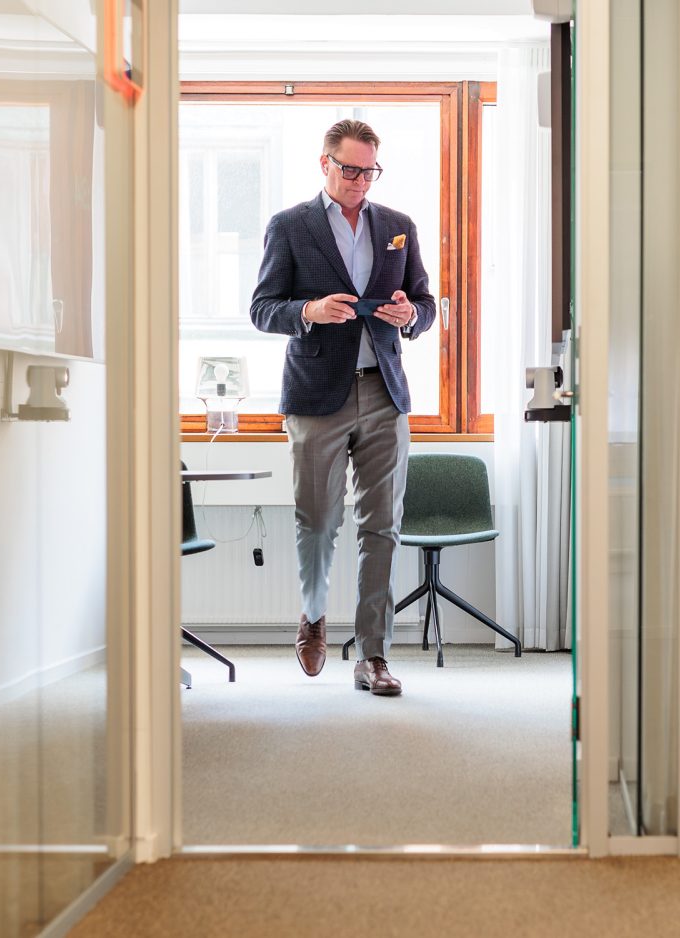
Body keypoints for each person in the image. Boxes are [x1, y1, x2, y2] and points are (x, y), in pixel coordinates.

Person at [251, 119, 436, 698]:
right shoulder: (289, 226)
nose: (360, 181)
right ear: (325, 164)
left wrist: (413, 317)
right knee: (318, 520)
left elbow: (427, 304)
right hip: (315, 395)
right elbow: (262, 308)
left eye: (369, 170)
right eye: (350, 169)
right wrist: (308, 310)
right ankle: (312, 614)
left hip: (384, 391)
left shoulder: (398, 227)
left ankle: (373, 656)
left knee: (382, 524)